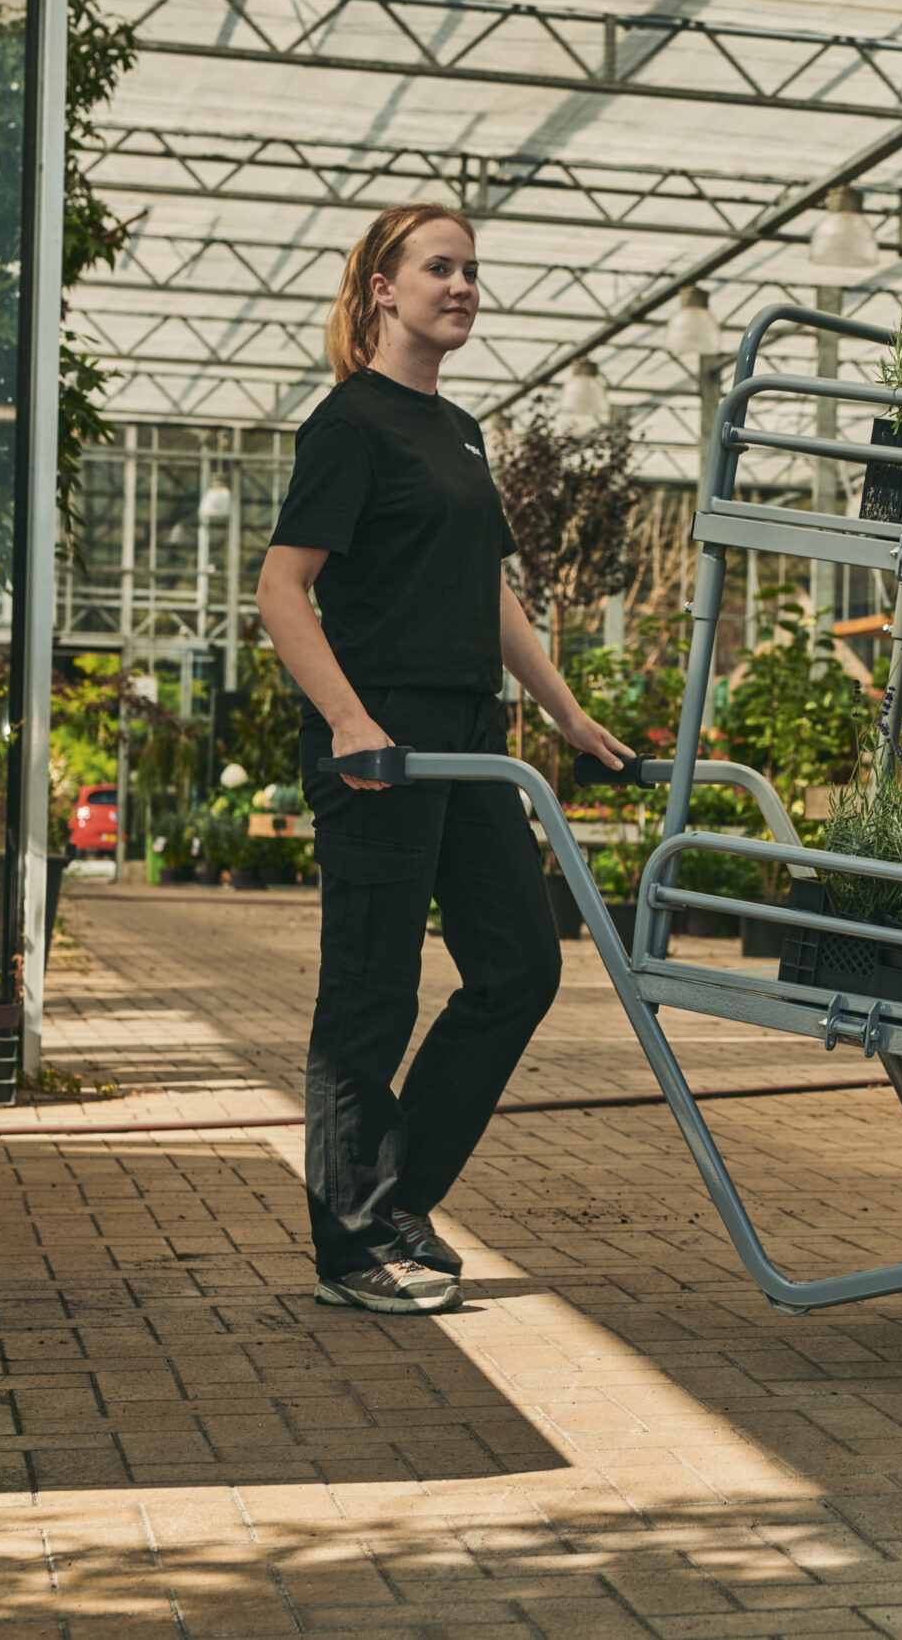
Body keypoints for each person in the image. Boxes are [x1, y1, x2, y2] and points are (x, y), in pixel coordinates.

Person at [257, 202, 634, 1314]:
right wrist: (349, 721)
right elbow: (283, 591)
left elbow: (491, 595)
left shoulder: (460, 429)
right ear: (382, 285)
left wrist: (564, 713)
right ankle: (352, 1248)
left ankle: (396, 1201)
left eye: (472, 270)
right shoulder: (351, 424)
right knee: (371, 993)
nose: (463, 285)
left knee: (521, 967)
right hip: (380, 743)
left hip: (470, 740)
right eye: (440, 267)